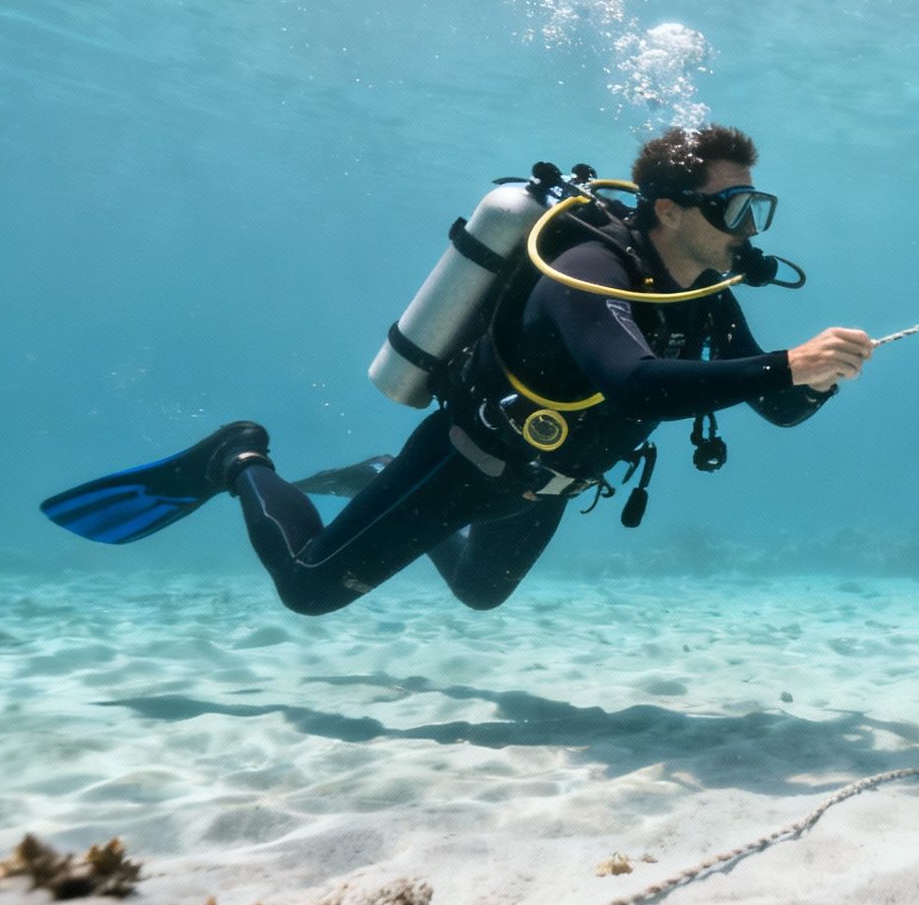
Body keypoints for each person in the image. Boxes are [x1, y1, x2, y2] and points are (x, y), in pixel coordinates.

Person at [42, 125, 874, 614]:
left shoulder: (706, 292)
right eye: (735, 206)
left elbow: (779, 407)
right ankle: (240, 456)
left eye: (755, 206)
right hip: (465, 463)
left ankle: (363, 471)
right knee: (308, 589)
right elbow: (633, 381)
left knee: (479, 592)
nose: (749, 226)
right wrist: (785, 364)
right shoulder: (586, 266)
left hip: (550, 482)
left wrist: (822, 377)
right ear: (668, 209)